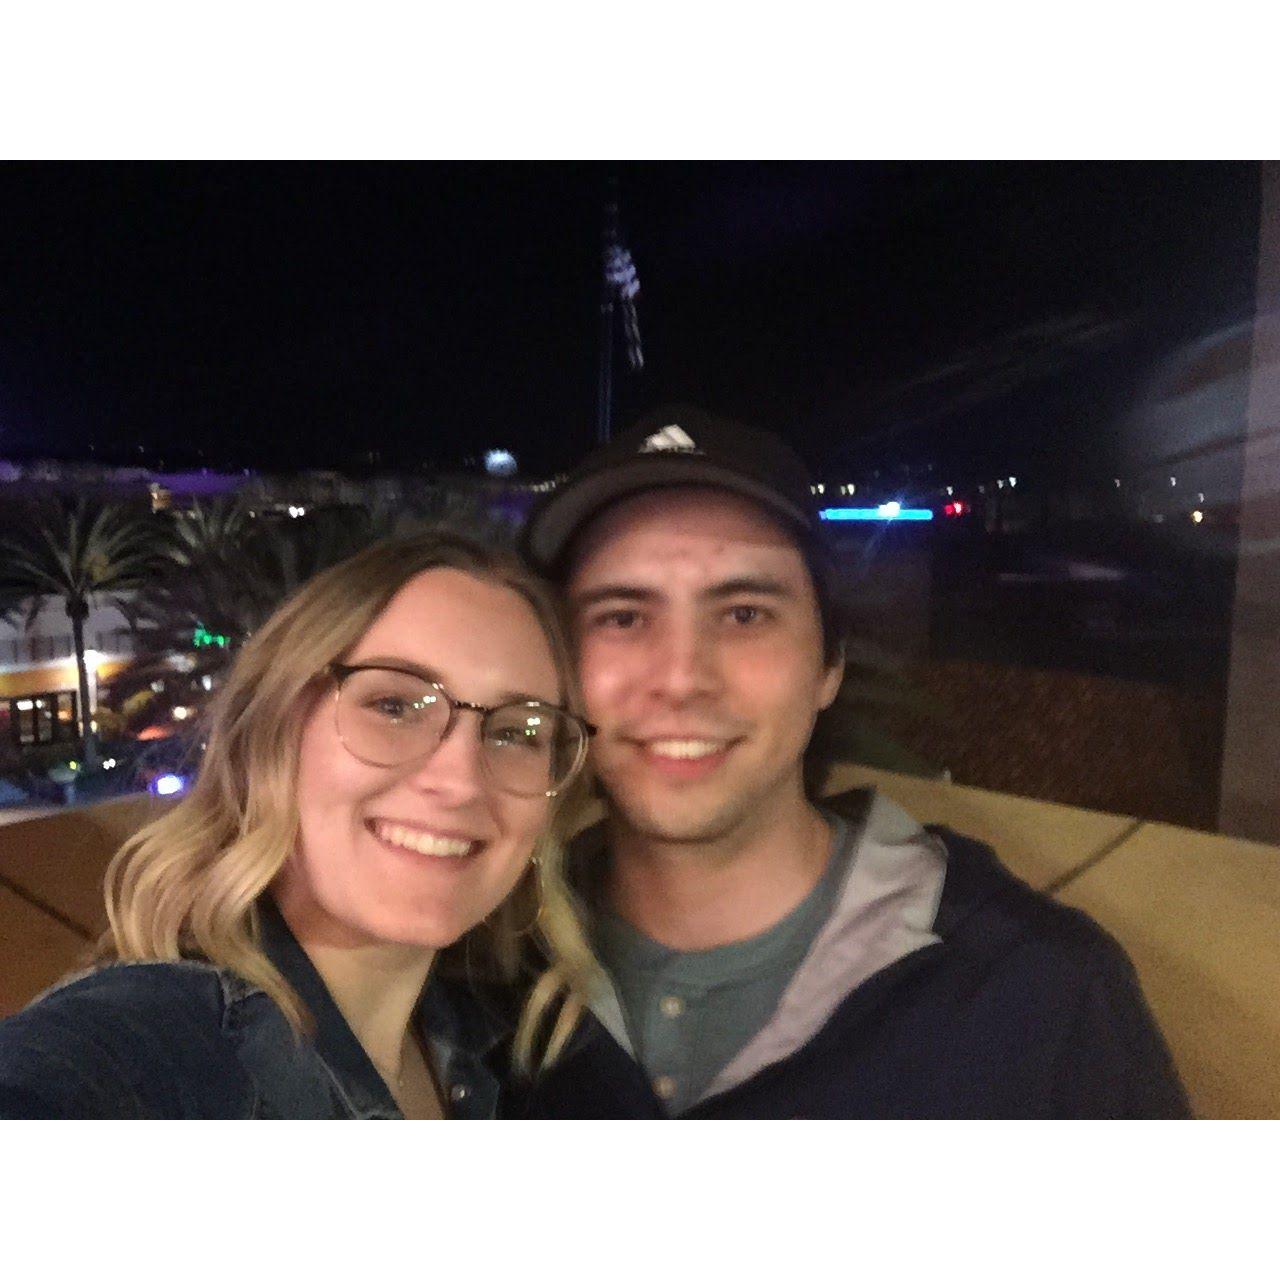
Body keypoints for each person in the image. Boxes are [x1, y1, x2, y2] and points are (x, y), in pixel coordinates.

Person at [506, 405, 1191, 1118]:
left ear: (829, 664)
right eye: (622, 617)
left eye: (744, 614)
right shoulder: (487, 968)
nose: (681, 678)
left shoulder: (1039, 996)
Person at [0, 530, 596, 1119]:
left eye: (519, 732)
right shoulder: (162, 1042)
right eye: (393, 706)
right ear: (276, 733)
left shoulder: (485, 1045)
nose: (462, 780)